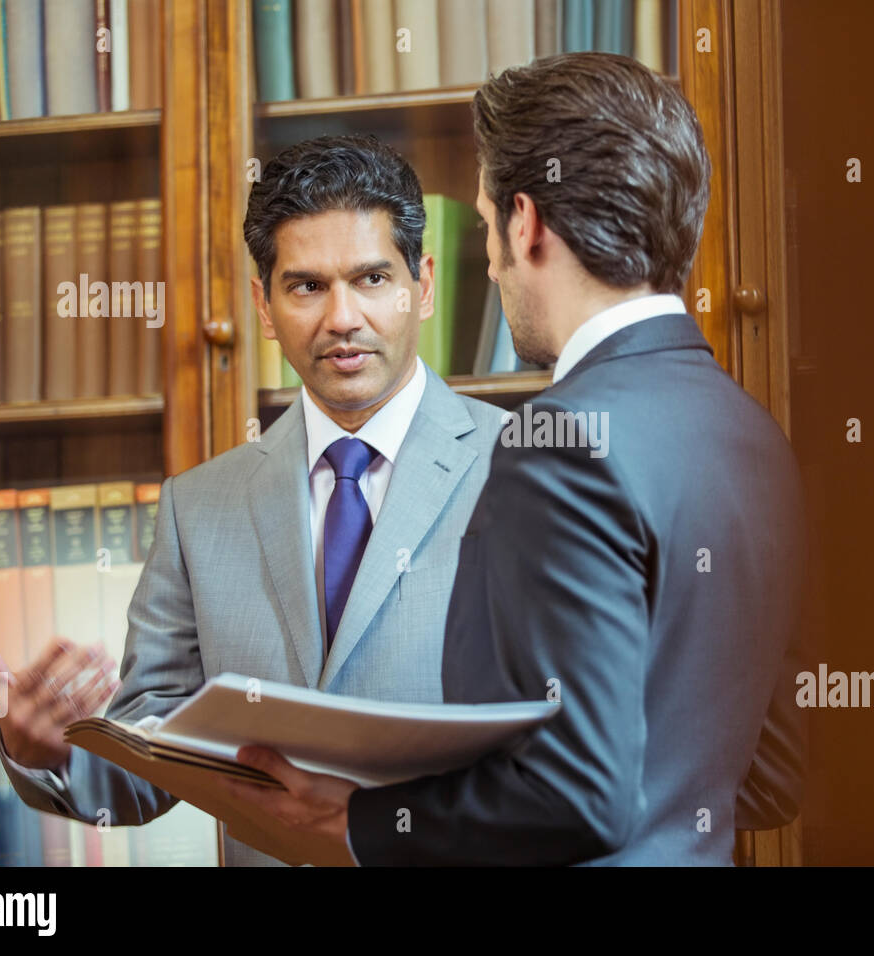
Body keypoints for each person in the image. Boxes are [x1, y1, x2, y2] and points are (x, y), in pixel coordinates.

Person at [226, 52, 808, 866]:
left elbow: (576, 796)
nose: (492, 263)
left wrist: (353, 823)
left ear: (526, 223)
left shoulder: (557, 444)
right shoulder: (752, 434)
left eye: (487, 226)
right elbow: (774, 773)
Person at [0, 134, 508, 866]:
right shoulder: (198, 510)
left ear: (425, 284)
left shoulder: (523, 469)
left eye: (373, 279)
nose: (342, 317)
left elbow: (577, 747)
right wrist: (43, 750)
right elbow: (146, 765)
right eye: (307, 286)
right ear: (263, 302)